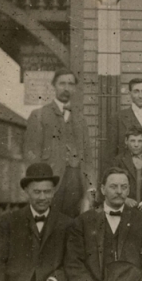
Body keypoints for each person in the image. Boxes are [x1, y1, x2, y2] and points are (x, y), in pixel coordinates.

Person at [23, 67, 95, 218]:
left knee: (74, 226)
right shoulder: (39, 115)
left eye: (70, 84)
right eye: (62, 83)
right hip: (51, 181)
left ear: (75, 88)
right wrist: (39, 184)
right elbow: (31, 154)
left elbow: (88, 157)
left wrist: (90, 188)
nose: (66, 88)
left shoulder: (81, 119)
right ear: (53, 86)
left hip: (77, 181)